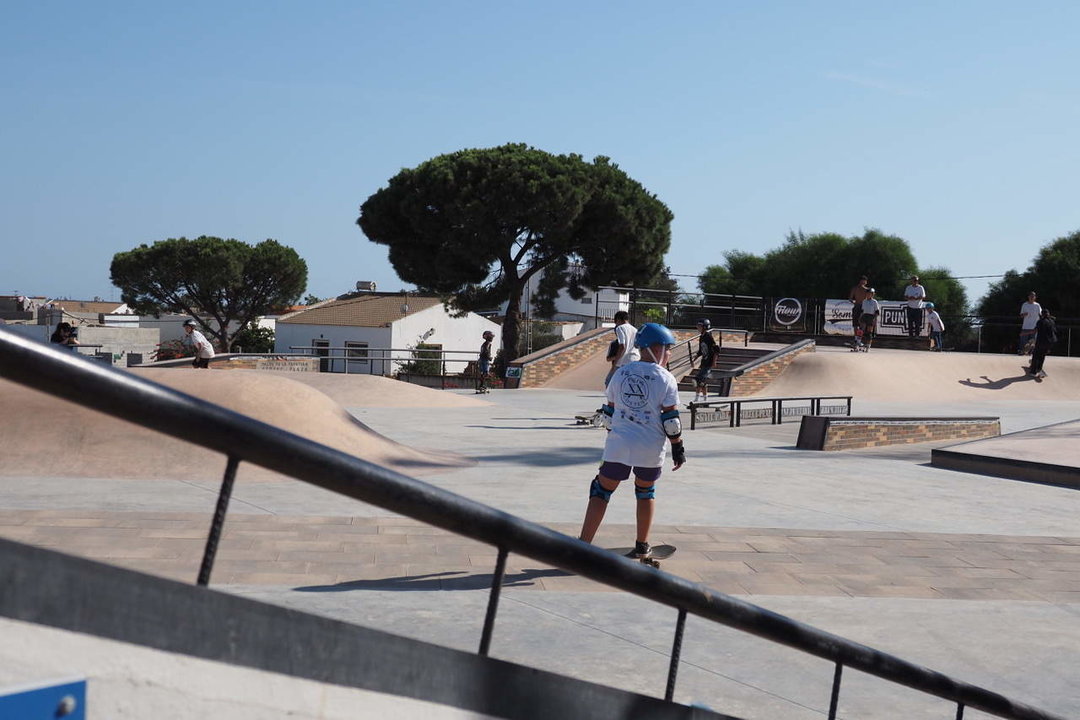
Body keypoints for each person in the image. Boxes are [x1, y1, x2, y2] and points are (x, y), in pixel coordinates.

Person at [579, 323, 685, 558]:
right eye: (668, 350)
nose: (669, 354)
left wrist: (613, 438)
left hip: (619, 445)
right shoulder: (667, 379)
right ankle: (642, 544)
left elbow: (609, 412)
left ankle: (583, 544)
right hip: (650, 447)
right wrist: (678, 447)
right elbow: (671, 420)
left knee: (601, 489)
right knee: (645, 491)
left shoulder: (621, 373)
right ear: (654, 349)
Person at [603, 311, 640, 386]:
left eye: (615, 322)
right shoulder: (635, 330)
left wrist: (615, 362)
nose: (616, 324)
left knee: (609, 381)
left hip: (624, 361)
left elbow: (622, 346)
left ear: (619, 319)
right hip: (636, 359)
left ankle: (613, 398)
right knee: (629, 383)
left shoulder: (620, 328)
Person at [692, 318, 720, 403]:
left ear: (705, 327)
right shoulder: (701, 337)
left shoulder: (708, 336)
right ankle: (705, 399)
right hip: (704, 362)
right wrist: (696, 357)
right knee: (702, 382)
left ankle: (697, 399)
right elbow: (701, 350)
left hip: (709, 362)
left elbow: (717, 349)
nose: (698, 328)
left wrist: (714, 361)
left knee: (698, 379)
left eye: (700, 326)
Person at [1028, 309, 1057, 379]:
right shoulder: (1052, 321)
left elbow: (1035, 330)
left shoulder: (1040, 321)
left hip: (1041, 341)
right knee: (1042, 355)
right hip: (1050, 342)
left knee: (1035, 355)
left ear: (1042, 315)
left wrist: (1024, 333)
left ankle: (1033, 372)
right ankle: (1039, 368)